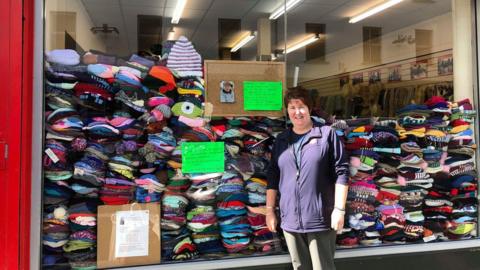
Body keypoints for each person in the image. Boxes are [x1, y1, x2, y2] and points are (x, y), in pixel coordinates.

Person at [266, 86, 349, 270]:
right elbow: (273, 175)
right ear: (287, 111)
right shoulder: (282, 140)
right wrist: (270, 210)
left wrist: (339, 210)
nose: (297, 112)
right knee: (300, 267)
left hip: (320, 218)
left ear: (310, 108)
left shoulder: (327, 135)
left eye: (301, 106)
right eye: (292, 107)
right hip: (290, 220)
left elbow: (342, 172)